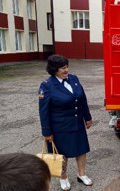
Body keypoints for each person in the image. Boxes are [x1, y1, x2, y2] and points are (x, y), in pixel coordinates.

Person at [38, 54, 93, 191]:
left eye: (67, 67)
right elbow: (43, 111)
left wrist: (87, 117)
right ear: (54, 69)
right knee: (62, 153)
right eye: (62, 68)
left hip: (77, 122)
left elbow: (82, 100)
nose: (66, 70)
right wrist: (46, 131)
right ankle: (63, 177)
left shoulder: (74, 79)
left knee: (81, 150)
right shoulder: (47, 85)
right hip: (60, 126)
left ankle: (82, 174)